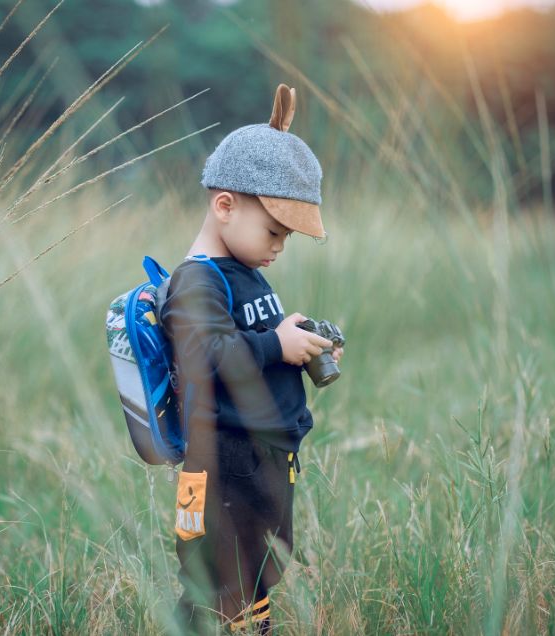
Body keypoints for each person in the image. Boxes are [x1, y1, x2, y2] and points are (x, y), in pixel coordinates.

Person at [159, 83, 343, 634]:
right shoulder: (195, 281)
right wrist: (275, 344)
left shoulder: (244, 273)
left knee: (257, 566)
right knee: (219, 575)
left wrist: (294, 336)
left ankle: (249, 624)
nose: (280, 246)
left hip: (259, 458)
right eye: (273, 230)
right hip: (223, 463)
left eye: (286, 235)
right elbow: (208, 356)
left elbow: (249, 343)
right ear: (224, 206)